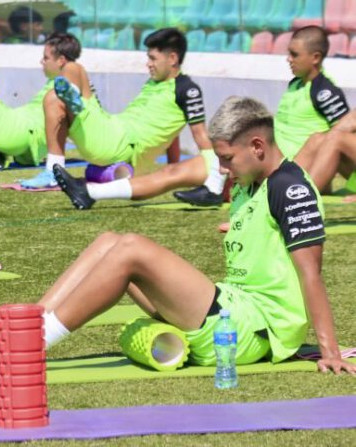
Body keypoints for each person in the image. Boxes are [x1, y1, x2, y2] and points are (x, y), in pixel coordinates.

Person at [23, 96, 354, 374]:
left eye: (227, 158)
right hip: (231, 307)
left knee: (131, 249)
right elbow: (266, 233)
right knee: (108, 241)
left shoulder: (290, 187)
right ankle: (23, 328)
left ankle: (30, 345)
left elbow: (311, 273)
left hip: (253, 327)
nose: (223, 169)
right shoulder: (250, 185)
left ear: (257, 146)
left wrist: (330, 351)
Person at [56, 26, 352, 209]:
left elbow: (341, 138)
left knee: (178, 171)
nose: (288, 58)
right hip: (259, 155)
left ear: (315, 58)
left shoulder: (324, 91)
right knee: (172, 174)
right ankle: (91, 191)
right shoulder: (296, 85)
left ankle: (219, 185)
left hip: (276, 163)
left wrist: (347, 186)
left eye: (294, 54)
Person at [18, 29, 213, 192]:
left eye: (153, 58)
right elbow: (171, 129)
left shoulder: (188, 89)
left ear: (172, 58)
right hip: (111, 128)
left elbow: (201, 137)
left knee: (73, 68)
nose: (148, 63)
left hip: (120, 144)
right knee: (53, 97)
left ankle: (73, 97)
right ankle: (54, 168)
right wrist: (172, 168)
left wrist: (215, 181)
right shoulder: (154, 83)